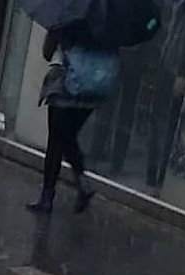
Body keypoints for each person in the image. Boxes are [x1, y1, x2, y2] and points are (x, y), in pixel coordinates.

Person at [31, 22, 119, 214]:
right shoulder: (109, 18)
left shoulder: (69, 11)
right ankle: (81, 181)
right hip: (93, 89)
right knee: (67, 136)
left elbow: (48, 51)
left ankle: (48, 196)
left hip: (66, 84)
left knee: (57, 139)